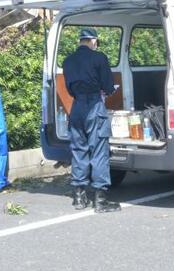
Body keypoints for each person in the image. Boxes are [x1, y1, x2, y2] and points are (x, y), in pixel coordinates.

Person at [62, 27, 121, 213]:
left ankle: (79, 198)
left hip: (77, 107)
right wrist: (107, 90)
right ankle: (100, 200)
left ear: (80, 40)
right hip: (94, 106)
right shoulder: (99, 58)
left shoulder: (68, 61)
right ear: (93, 41)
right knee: (99, 152)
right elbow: (109, 87)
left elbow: (70, 90)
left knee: (79, 150)